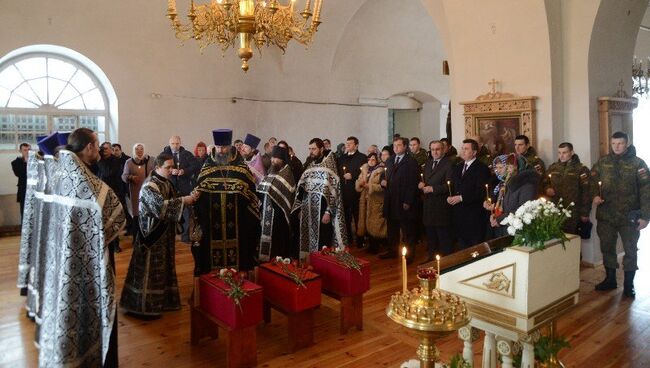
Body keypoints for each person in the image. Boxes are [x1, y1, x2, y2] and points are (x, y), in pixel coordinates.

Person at [38, 127, 125, 368]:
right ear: (88, 147)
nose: (99, 150)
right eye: (97, 145)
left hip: (63, 257)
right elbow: (115, 215)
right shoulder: (85, 182)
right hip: (87, 261)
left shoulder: (59, 172)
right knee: (91, 307)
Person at [120, 153, 200, 318]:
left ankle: (164, 301)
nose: (171, 170)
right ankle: (144, 307)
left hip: (164, 235)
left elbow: (173, 199)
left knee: (164, 268)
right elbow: (159, 208)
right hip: (150, 236)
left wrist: (191, 196)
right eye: (168, 167)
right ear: (157, 167)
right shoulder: (150, 185)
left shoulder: (166, 183)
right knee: (149, 271)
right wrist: (185, 200)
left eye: (172, 167)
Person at [591, 132, 650, 298]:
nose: (616, 146)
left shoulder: (638, 164)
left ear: (627, 143)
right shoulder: (603, 163)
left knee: (630, 251)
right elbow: (592, 182)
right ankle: (610, 279)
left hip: (629, 217)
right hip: (606, 216)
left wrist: (645, 217)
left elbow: (647, 192)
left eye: (620, 143)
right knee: (607, 248)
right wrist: (594, 195)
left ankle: (629, 285)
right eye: (614, 143)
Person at [193, 129, 260, 274]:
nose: (221, 151)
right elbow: (198, 191)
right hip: (212, 221)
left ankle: (238, 281)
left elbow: (251, 195)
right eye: (218, 147)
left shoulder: (241, 168)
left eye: (224, 147)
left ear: (230, 146)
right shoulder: (207, 167)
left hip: (237, 223)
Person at [292, 138, 347, 259]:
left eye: (314, 149)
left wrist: (328, 212)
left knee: (323, 239)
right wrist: (300, 207)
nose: (311, 151)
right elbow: (301, 188)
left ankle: (323, 265)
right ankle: (310, 263)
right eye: (310, 149)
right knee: (307, 239)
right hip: (308, 211)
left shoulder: (329, 165)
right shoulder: (309, 165)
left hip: (322, 211)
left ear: (321, 149)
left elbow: (334, 192)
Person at [380, 137, 419, 262]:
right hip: (390, 200)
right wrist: (382, 182)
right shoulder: (390, 160)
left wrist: (408, 201)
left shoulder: (411, 162)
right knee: (392, 228)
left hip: (403, 201)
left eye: (398, 145)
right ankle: (392, 250)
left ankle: (409, 254)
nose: (395, 148)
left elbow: (413, 183)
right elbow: (383, 175)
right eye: (394, 145)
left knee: (407, 230)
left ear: (405, 147)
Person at [448, 139, 491, 248]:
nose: (462, 151)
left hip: (474, 215)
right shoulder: (458, 167)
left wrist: (461, 198)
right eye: (462, 148)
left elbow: (481, 192)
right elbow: (454, 187)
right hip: (459, 214)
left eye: (466, 149)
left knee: (475, 248)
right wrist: (451, 197)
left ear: (474, 152)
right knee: (463, 247)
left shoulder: (482, 168)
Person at [541, 142, 591, 234]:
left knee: (572, 241)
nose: (561, 156)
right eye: (559, 153)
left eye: (564, 152)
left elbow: (586, 192)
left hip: (573, 212)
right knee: (556, 241)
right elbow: (545, 181)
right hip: (555, 210)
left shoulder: (581, 169)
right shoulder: (553, 167)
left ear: (571, 152)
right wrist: (547, 188)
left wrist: (585, 212)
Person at [257, 146, 296, 261]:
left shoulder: (287, 173)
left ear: (283, 159)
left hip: (280, 215)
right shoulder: (270, 172)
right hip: (267, 213)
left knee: (278, 239)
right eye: (272, 157)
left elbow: (288, 195)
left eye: (276, 158)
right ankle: (267, 260)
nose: (273, 160)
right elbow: (263, 189)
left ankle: (279, 260)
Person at [487, 154, 539, 237]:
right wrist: (495, 215)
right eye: (507, 167)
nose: (508, 170)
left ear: (519, 167)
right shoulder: (510, 182)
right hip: (506, 227)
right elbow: (503, 204)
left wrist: (500, 219)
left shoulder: (527, 185)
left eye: (510, 167)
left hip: (518, 231)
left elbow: (523, 210)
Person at [160, 135, 201, 243]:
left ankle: (185, 237)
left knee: (186, 212)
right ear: (169, 144)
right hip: (170, 186)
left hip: (185, 187)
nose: (175, 145)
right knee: (169, 211)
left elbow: (196, 166)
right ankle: (169, 236)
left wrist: (184, 171)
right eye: (173, 143)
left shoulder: (186, 154)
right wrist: (170, 171)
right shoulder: (164, 155)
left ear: (180, 143)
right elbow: (159, 168)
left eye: (177, 143)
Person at [420, 140, 454, 260]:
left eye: (437, 149)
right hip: (428, 205)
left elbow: (449, 186)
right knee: (430, 235)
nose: (435, 152)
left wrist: (433, 189)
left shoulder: (448, 164)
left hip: (441, 206)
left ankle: (447, 261)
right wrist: (422, 184)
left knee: (443, 236)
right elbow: (426, 180)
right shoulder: (428, 163)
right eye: (432, 149)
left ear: (443, 150)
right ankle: (431, 258)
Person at [338, 136, 367, 247]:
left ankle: (360, 240)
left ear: (356, 145)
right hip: (344, 192)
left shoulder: (362, 157)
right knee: (345, 217)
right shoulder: (341, 158)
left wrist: (353, 175)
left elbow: (364, 173)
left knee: (358, 217)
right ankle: (348, 239)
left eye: (350, 143)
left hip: (356, 193)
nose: (348, 145)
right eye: (347, 143)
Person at [355, 152, 387, 254]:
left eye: (373, 159)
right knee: (366, 222)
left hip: (376, 201)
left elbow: (382, 187)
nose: (370, 161)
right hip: (365, 200)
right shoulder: (365, 170)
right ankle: (370, 244)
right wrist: (360, 183)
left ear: (377, 160)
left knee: (375, 224)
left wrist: (371, 186)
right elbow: (358, 182)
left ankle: (376, 246)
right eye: (369, 159)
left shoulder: (381, 170)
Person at [122, 143, 155, 239]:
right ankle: (136, 239)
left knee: (148, 215)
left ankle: (148, 237)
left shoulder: (151, 160)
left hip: (149, 192)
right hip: (136, 193)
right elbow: (124, 177)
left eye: (141, 149)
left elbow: (155, 173)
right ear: (134, 150)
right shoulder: (129, 162)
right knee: (136, 216)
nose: (139, 151)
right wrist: (131, 177)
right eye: (137, 149)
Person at [98, 141, 126, 252]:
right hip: (101, 192)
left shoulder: (115, 160)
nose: (103, 151)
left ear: (110, 149)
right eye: (102, 149)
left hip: (113, 193)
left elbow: (107, 172)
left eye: (106, 149)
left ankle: (115, 245)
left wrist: (99, 159)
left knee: (113, 219)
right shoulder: (98, 159)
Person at [11, 142, 30, 220]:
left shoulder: (36, 161)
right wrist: (26, 161)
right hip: (24, 191)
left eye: (29, 150)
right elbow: (20, 174)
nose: (27, 152)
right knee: (24, 213)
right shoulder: (15, 163)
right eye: (25, 150)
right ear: (20, 151)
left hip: (36, 191)